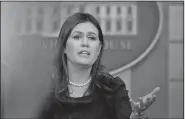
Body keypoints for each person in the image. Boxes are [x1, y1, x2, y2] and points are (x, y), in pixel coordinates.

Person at [37, 12, 160, 119]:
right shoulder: (47, 92)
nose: (85, 43)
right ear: (64, 46)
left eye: (91, 38)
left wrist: (138, 114)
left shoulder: (113, 89)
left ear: (99, 48)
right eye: (77, 37)